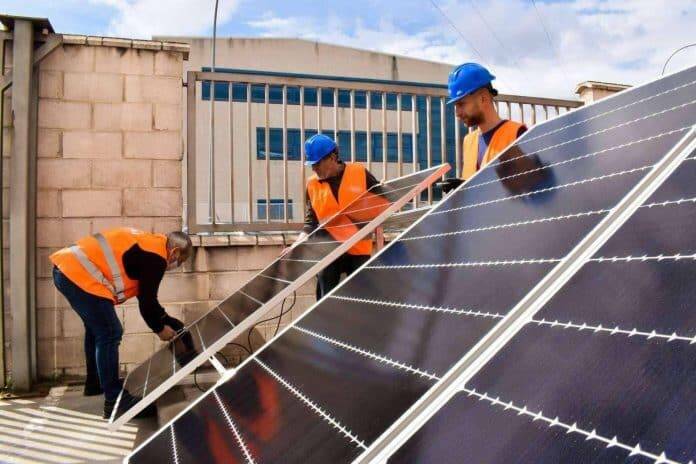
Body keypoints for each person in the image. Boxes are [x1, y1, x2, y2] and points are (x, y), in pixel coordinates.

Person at [50, 227, 193, 418]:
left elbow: (147, 299)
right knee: (110, 332)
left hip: (67, 269)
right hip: (77, 272)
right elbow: (148, 303)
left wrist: (171, 322)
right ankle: (116, 401)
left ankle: (94, 384)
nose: (177, 265)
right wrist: (160, 329)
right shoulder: (158, 257)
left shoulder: (150, 245)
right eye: (180, 261)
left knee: (96, 329)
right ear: (174, 252)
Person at [286, 134, 383, 299]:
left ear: (332, 157)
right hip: (328, 250)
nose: (314, 168)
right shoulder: (312, 184)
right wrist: (296, 244)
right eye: (311, 165)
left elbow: (381, 201)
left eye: (317, 164)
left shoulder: (359, 172)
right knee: (325, 300)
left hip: (358, 249)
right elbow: (311, 222)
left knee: (362, 301)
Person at [440, 63, 527, 193]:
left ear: (483, 98)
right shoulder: (468, 141)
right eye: (455, 106)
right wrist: (464, 188)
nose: (457, 113)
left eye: (461, 104)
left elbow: (532, 186)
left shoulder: (517, 133)